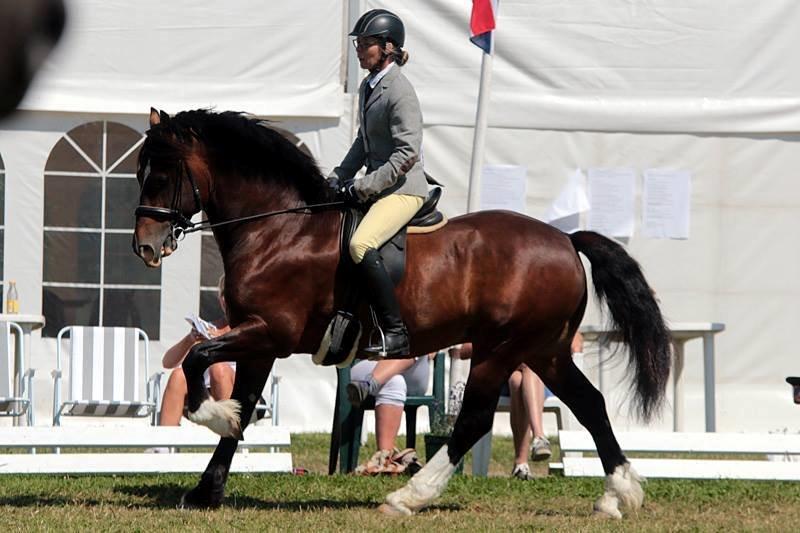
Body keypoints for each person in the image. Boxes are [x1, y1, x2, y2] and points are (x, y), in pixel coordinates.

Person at [327, 9, 429, 358]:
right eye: (358, 43)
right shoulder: (369, 85)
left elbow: (406, 154)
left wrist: (363, 186)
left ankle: (396, 333)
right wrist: (338, 176)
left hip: (403, 189)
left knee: (360, 244)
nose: (359, 49)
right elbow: (362, 142)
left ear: (388, 47)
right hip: (379, 185)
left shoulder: (399, 89)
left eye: (366, 44)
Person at [158, 276, 235, 427]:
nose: (227, 299)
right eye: (224, 295)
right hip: (204, 393)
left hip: (239, 390)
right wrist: (190, 339)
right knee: (178, 375)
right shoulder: (209, 328)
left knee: (218, 369)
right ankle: (162, 447)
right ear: (220, 299)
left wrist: (222, 344)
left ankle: (229, 442)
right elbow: (167, 363)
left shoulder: (251, 328)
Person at [509, 332, 584, 480]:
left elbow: (576, 341)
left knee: (530, 369)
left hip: (542, 378)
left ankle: (524, 458)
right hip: (510, 372)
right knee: (516, 380)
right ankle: (536, 441)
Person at [347, 355, 431, 474]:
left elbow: (432, 352)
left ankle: (370, 384)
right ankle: (384, 457)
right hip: (371, 363)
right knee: (394, 381)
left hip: (414, 372)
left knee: (413, 345)